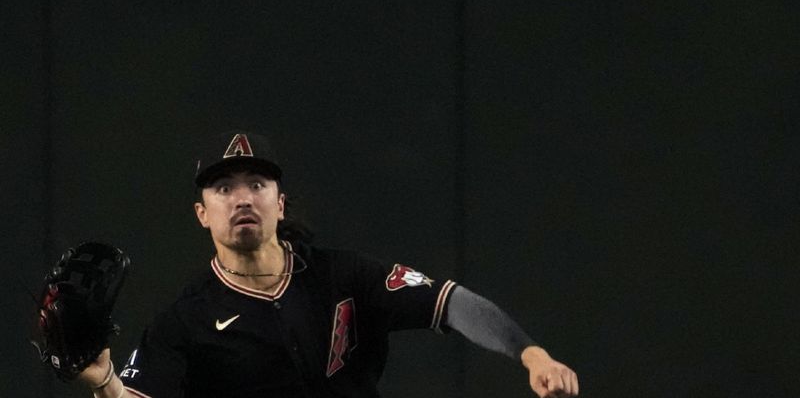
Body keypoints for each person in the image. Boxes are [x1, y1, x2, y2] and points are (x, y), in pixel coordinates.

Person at [77, 131, 579, 398]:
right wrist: (105, 384)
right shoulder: (182, 322)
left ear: (280, 202)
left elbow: (451, 304)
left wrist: (532, 355)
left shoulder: (342, 276)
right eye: (223, 188)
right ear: (201, 213)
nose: (242, 198)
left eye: (257, 183)